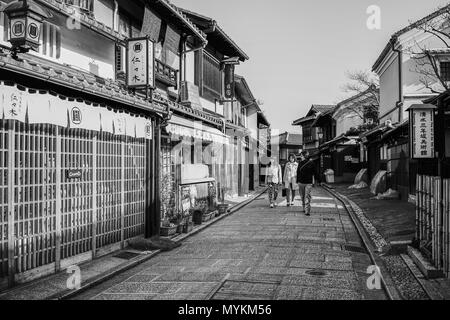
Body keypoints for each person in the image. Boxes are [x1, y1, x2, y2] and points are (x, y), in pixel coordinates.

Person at [296, 151, 321, 216]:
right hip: (301, 182)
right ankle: (304, 207)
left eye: (301, 156)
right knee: (302, 196)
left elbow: (315, 172)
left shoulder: (311, 163)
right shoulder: (300, 163)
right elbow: (298, 172)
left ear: (304, 156)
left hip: (308, 183)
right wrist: (297, 181)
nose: (300, 157)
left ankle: (307, 210)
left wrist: (319, 180)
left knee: (307, 196)